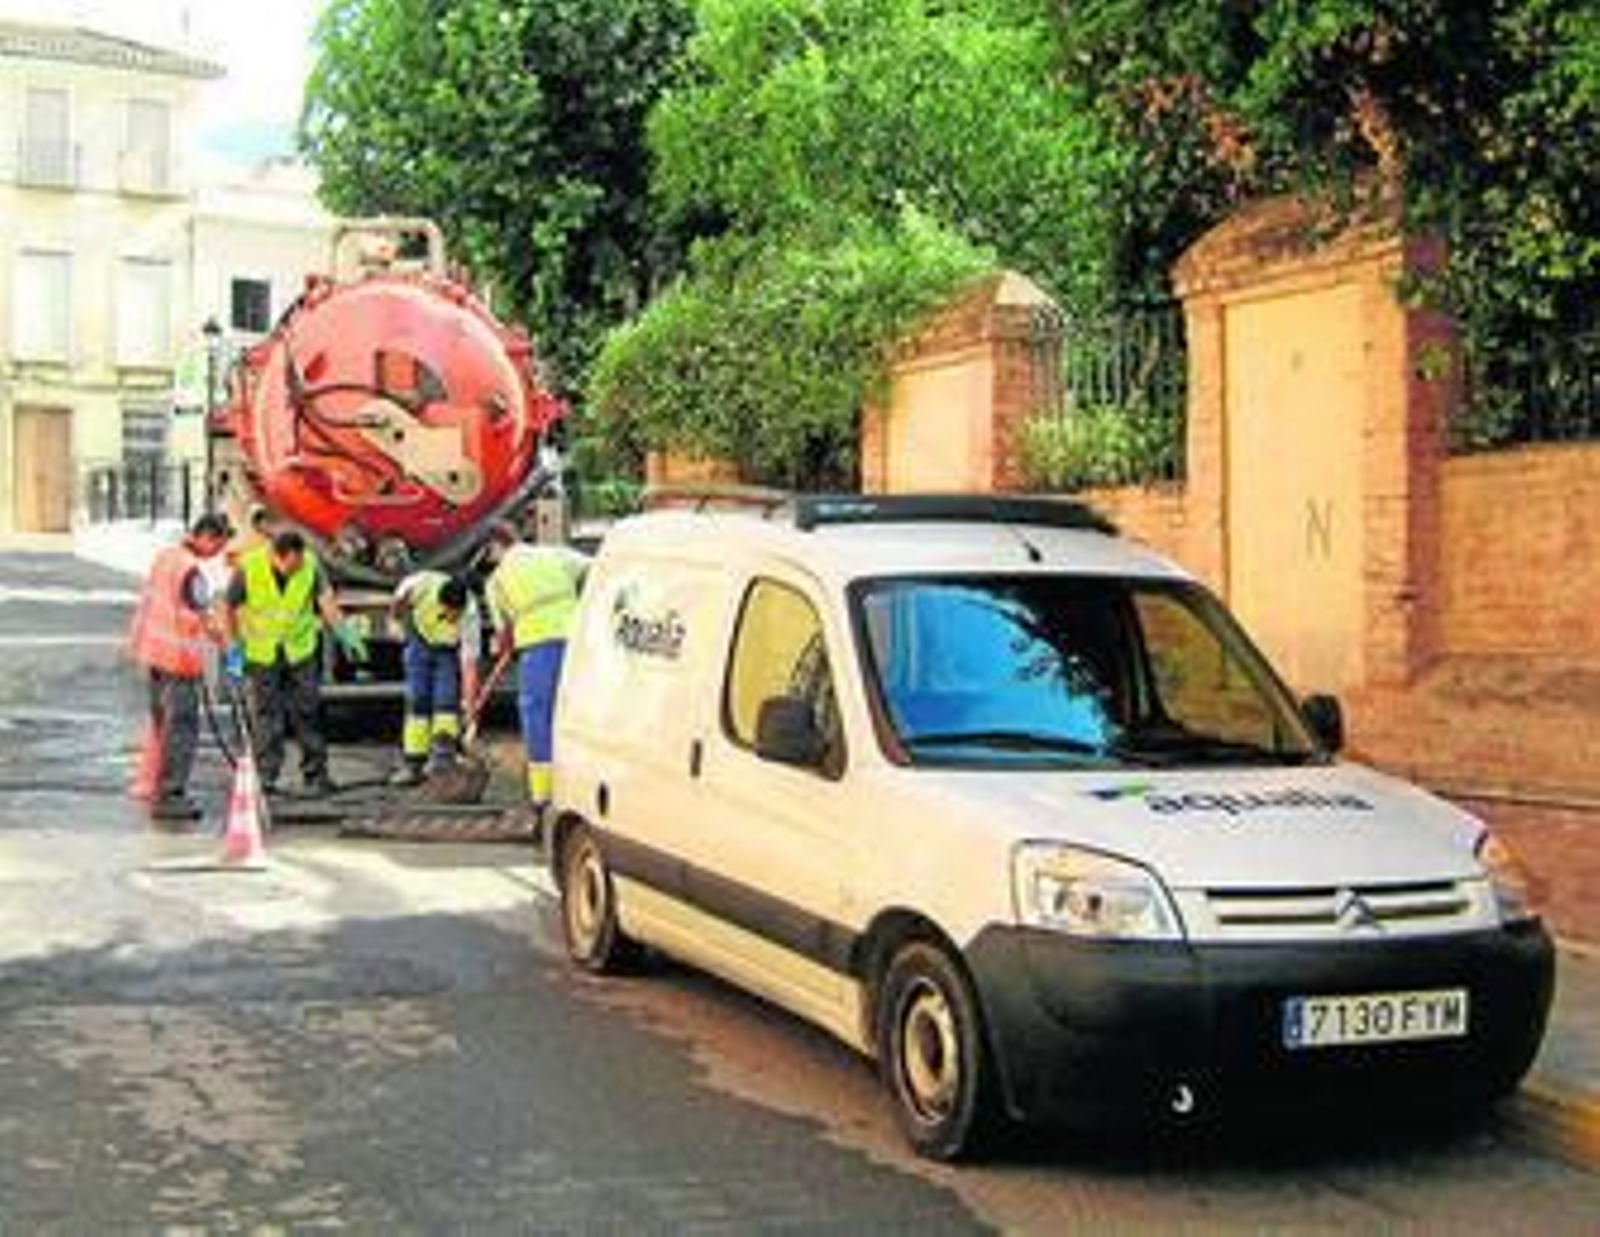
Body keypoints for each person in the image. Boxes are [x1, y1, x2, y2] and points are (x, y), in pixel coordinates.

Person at [223, 529, 365, 796]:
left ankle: (316, 774)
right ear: (276, 556)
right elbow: (227, 607)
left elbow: (327, 603)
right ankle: (266, 777)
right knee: (268, 716)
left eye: (299, 562)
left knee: (308, 712)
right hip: (262, 653)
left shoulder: (310, 565)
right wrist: (232, 648)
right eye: (291, 564)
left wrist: (345, 634)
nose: (295, 568)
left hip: (300, 651)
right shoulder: (249, 568)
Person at [126, 513, 232, 820]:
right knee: (181, 728)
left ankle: (158, 787)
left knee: (163, 724)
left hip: (153, 652)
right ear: (206, 537)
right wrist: (230, 650)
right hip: (177, 659)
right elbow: (205, 615)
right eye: (219, 545)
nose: (219, 553)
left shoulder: (166, 557)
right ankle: (171, 795)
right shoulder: (190, 570)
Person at [483, 522, 587, 815]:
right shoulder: (555, 555)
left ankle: (543, 798)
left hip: (539, 648)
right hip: (578, 642)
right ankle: (580, 788)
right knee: (575, 713)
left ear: (495, 547)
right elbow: (594, 568)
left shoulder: (496, 581)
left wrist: (504, 647)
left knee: (537, 715)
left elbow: (503, 634)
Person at [389, 570, 479, 786]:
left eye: (455, 615)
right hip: (418, 640)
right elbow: (399, 602)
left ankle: (443, 761)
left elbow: (469, 662)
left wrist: (469, 704)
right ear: (441, 603)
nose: (452, 618)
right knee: (417, 699)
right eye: (449, 613)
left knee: (446, 701)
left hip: (447, 651)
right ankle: (413, 765)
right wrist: (394, 621)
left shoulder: (470, 614)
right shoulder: (420, 585)